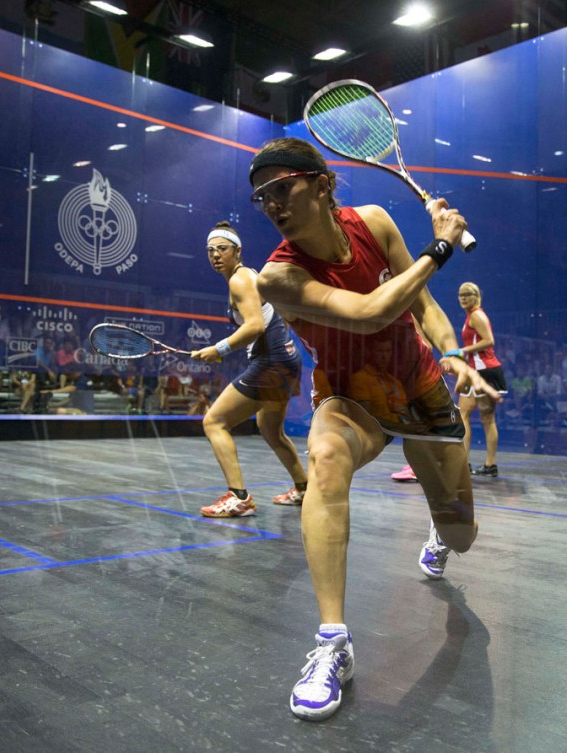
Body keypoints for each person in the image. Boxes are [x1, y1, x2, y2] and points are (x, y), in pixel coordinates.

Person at [249, 137, 494, 721]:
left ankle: (439, 531)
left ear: (324, 183)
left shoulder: (376, 223)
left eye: (284, 189)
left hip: (420, 389)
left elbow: (422, 307)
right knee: (326, 460)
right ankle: (333, 642)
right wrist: (441, 244)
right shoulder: (276, 278)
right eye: (263, 198)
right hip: (350, 396)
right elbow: (372, 312)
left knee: (463, 536)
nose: (273, 204)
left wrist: (453, 350)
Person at [190, 221, 309, 517]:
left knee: (214, 422)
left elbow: (255, 326)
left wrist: (218, 349)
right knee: (270, 429)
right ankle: (304, 488)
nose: (215, 255)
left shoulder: (239, 280)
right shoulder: (249, 276)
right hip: (286, 359)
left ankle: (238, 497)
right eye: (210, 250)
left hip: (272, 362)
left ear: (237, 251)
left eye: (222, 249)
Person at [455, 281, 507, 477]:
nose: (463, 298)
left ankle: (489, 464)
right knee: (465, 415)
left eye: (467, 294)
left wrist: (463, 350)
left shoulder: (477, 315)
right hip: (475, 371)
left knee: (486, 419)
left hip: (486, 372)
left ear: (476, 296)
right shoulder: (471, 316)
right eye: (460, 295)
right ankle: (465, 464)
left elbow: (489, 341)